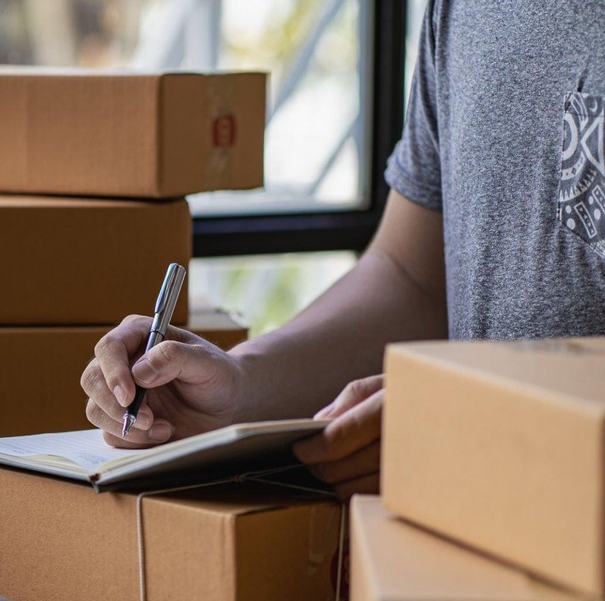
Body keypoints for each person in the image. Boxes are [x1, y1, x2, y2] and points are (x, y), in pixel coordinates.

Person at [82, 1, 605, 499]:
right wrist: (242, 384)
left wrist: (487, 422)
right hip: (477, 529)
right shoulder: (464, 11)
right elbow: (415, 280)